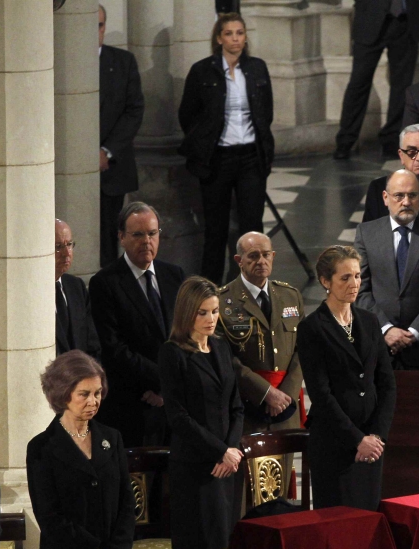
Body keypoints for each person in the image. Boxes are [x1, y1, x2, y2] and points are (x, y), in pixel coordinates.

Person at [27, 351, 135, 549]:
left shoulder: (112, 438)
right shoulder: (42, 448)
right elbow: (50, 517)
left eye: (97, 393)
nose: (93, 401)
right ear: (63, 394)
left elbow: (126, 504)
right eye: (84, 394)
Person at [295, 246, 396, 509]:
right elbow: (320, 393)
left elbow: (386, 384)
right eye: (345, 278)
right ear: (325, 282)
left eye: (357, 276)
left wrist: (376, 437)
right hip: (334, 443)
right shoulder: (312, 328)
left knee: (367, 521)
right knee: (338, 525)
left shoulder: (370, 321)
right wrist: (357, 439)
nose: (354, 283)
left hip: (371, 446)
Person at [159, 277, 245, 549]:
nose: (211, 319)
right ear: (187, 313)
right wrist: (219, 451)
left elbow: (236, 407)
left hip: (226, 466)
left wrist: (231, 451)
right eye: (203, 313)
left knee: (214, 548)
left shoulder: (221, 348)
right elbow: (178, 416)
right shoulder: (173, 354)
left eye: (215, 311)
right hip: (194, 465)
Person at [178, 13, 275, 283]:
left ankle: (256, 287)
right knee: (216, 229)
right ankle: (209, 289)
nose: (236, 38)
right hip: (217, 158)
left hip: (250, 157)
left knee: (252, 227)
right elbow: (188, 115)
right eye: (230, 33)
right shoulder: (202, 71)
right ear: (219, 38)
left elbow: (265, 113)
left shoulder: (257, 68)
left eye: (240, 33)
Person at [89, 202, 187, 446]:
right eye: (138, 234)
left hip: (177, 406)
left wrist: (171, 389)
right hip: (135, 404)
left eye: (152, 234)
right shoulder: (105, 283)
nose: (147, 241)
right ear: (121, 237)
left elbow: (188, 333)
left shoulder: (175, 275)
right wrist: (163, 380)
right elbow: (114, 349)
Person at [356, 170, 419, 370]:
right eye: (399, 196)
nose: (406, 202)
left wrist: (415, 331)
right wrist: (386, 329)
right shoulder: (366, 233)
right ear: (386, 198)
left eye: (412, 195)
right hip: (378, 346)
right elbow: (360, 288)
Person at [220, 232, 304, 439]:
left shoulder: (290, 296)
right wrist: (266, 393)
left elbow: (304, 349)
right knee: (250, 470)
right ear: (239, 260)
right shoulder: (222, 301)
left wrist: (285, 395)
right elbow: (225, 359)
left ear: (273, 256)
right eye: (253, 256)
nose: (261, 261)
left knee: (285, 469)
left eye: (266, 255)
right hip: (248, 407)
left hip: (285, 408)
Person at [333, 0, 419, 159]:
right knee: (359, 82)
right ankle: (346, 140)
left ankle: (392, 138)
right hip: (371, 17)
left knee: (402, 86)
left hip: (407, 19)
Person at [98, 4, 145, 267]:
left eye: (100, 25)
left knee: (108, 239)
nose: (96, 32)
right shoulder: (59, 58)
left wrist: (107, 151)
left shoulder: (123, 62)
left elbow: (134, 110)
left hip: (111, 168)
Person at [55, 219, 102, 359]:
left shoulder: (76, 286)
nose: (66, 253)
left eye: (69, 244)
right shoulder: (34, 293)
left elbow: (92, 343)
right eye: (58, 246)